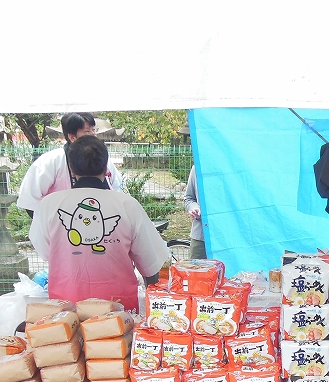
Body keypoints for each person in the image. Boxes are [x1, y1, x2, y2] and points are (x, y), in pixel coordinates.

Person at [28, 135, 169, 311]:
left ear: (71, 168)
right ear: (105, 167)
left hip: (66, 313)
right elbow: (150, 264)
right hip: (118, 312)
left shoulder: (48, 205)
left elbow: (46, 252)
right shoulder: (128, 205)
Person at [16, 113, 125, 216]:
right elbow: (30, 201)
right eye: (87, 131)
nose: (93, 135)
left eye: (94, 130)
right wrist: (52, 224)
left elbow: (119, 191)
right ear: (72, 137)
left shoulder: (103, 159)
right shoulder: (51, 161)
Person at [183, 165, 206, 259]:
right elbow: (189, 198)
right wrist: (194, 208)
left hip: (231, 238)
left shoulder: (233, 166)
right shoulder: (198, 167)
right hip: (201, 237)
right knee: (196, 268)